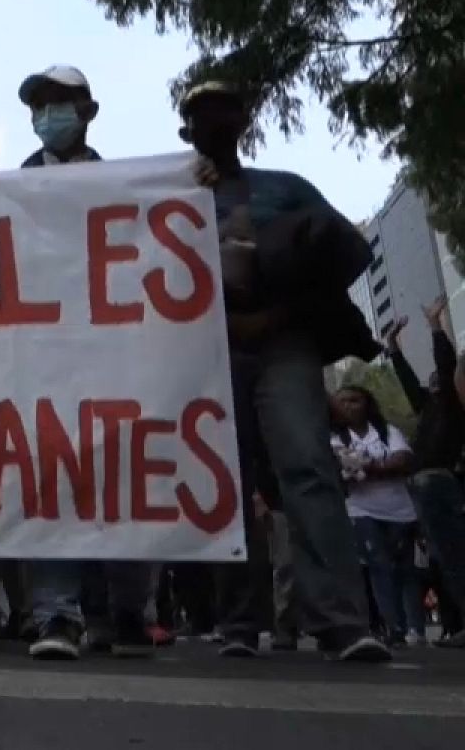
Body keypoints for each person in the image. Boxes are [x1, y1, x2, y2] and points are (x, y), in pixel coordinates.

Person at [183, 80, 391, 662]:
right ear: (186, 131)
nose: (214, 121)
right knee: (223, 482)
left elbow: (344, 250)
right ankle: (238, 623)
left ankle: (341, 621)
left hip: (283, 343)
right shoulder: (171, 193)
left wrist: (274, 313)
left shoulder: (287, 188)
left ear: (244, 121)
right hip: (205, 351)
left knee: (307, 468)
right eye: (201, 114)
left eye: (225, 109)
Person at [0, 65, 154, 660]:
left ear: (88, 112)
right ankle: (58, 614)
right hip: (43, 356)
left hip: (109, 354)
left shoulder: (129, 184)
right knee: (50, 473)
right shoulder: (10, 186)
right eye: (38, 105)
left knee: (116, 476)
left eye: (59, 103)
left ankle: (124, 611)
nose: (46, 115)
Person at [383, 303, 465, 649]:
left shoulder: (452, 407)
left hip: (439, 483)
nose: (433, 385)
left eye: (438, 383)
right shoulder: (429, 408)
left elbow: (446, 371)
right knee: (444, 560)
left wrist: (434, 327)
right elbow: (408, 382)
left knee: (455, 556)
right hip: (421, 489)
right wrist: (393, 349)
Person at [330, 385, 422, 647]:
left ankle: (415, 628)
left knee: (405, 570)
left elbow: (403, 460)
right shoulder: (335, 437)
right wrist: (378, 466)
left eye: (355, 400)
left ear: (367, 403)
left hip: (400, 511)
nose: (349, 406)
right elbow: (340, 466)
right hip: (362, 510)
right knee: (378, 565)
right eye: (343, 401)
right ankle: (393, 627)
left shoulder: (386, 431)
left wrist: (367, 466)